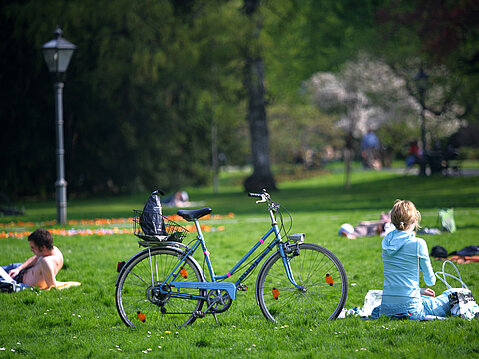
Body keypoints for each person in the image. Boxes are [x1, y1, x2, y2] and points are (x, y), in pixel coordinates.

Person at [372, 200, 453, 320]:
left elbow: (399, 280)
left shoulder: (385, 242)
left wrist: (419, 290)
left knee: (425, 298)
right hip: (412, 309)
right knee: (452, 295)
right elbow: (431, 281)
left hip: (386, 309)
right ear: (414, 220)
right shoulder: (418, 244)